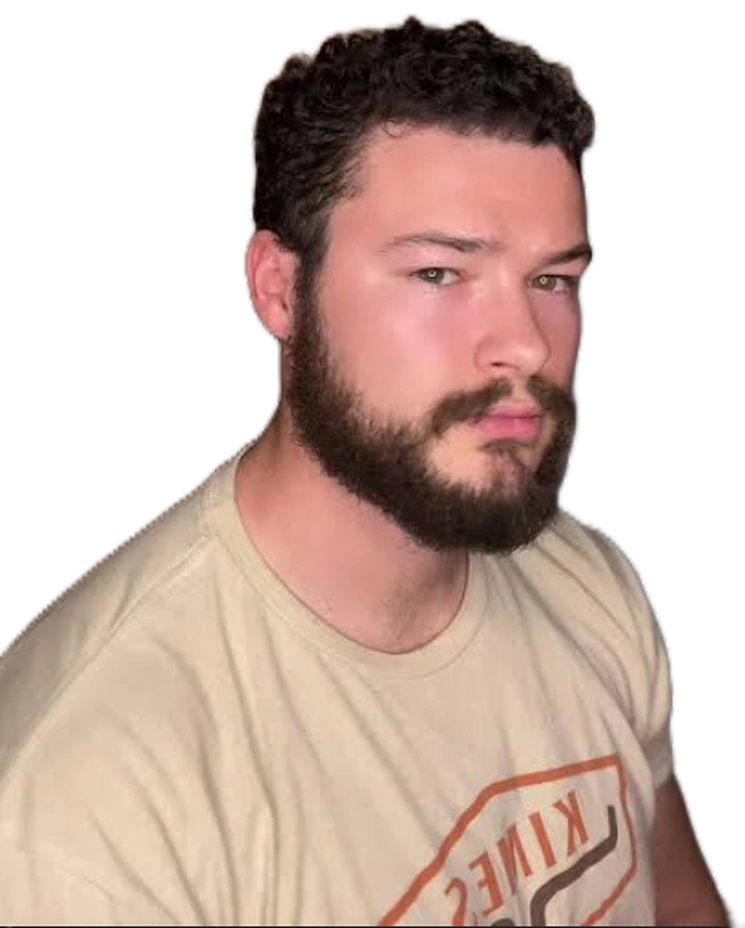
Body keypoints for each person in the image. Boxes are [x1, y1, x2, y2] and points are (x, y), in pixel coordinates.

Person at [1, 14, 735, 926]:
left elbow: (678, 909)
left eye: (551, 280)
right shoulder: (85, 805)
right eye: (438, 274)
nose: (523, 345)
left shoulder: (584, 583)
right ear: (278, 288)